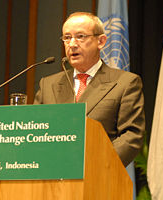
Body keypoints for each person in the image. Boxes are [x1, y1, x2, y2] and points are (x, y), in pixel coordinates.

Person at [34, 12, 145, 166]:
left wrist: (96, 164)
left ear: (101, 41)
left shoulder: (125, 83)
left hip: (99, 175)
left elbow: (132, 135)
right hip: (52, 177)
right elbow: (34, 132)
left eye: (80, 36)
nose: (72, 44)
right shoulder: (48, 85)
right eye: (67, 37)